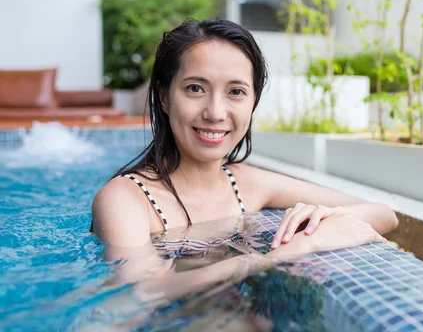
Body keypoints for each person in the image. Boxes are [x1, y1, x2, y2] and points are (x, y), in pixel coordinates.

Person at [89, 18, 398, 320]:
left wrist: (321, 220)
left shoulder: (246, 183)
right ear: (164, 97)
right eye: (195, 88)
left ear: (252, 102)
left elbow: (384, 213)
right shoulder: (126, 198)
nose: (215, 112)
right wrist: (279, 255)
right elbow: (138, 295)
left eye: (235, 92)